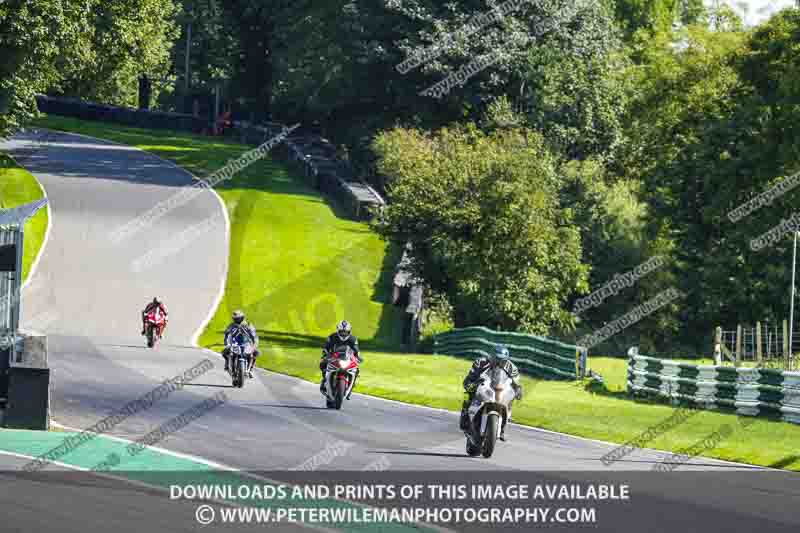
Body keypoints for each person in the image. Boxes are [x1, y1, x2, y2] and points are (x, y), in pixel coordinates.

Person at [459, 344, 523, 441]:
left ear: (506, 360)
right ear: (491, 356)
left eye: (502, 360)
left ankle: (502, 429)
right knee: (468, 393)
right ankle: (465, 415)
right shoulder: (480, 362)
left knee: (510, 396)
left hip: (498, 389)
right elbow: (469, 379)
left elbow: (516, 383)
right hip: (484, 386)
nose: (499, 362)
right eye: (497, 359)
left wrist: (518, 390)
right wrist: (471, 384)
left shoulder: (511, 367)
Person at [319, 320, 362, 397]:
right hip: (333, 357)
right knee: (322, 363)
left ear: (349, 331)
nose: (343, 334)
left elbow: (356, 350)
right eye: (342, 332)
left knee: (357, 369)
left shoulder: (353, 339)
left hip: (346, 358)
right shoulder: (332, 337)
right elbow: (326, 347)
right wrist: (325, 354)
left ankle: (351, 387)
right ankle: (325, 380)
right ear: (338, 330)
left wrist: (358, 357)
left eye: (346, 332)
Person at [222, 310, 260, 377]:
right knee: (224, 352)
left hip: (247, 344)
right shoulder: (231, 326)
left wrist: (255, 345)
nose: (237, 320)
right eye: (236, 319)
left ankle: (250, 370)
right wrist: (226, 344)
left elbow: (254, 336)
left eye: (239, 318)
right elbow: (226, 334)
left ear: (242, 317)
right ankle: (227, 365)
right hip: (235, 344)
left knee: (256, 353)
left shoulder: (248, 325)